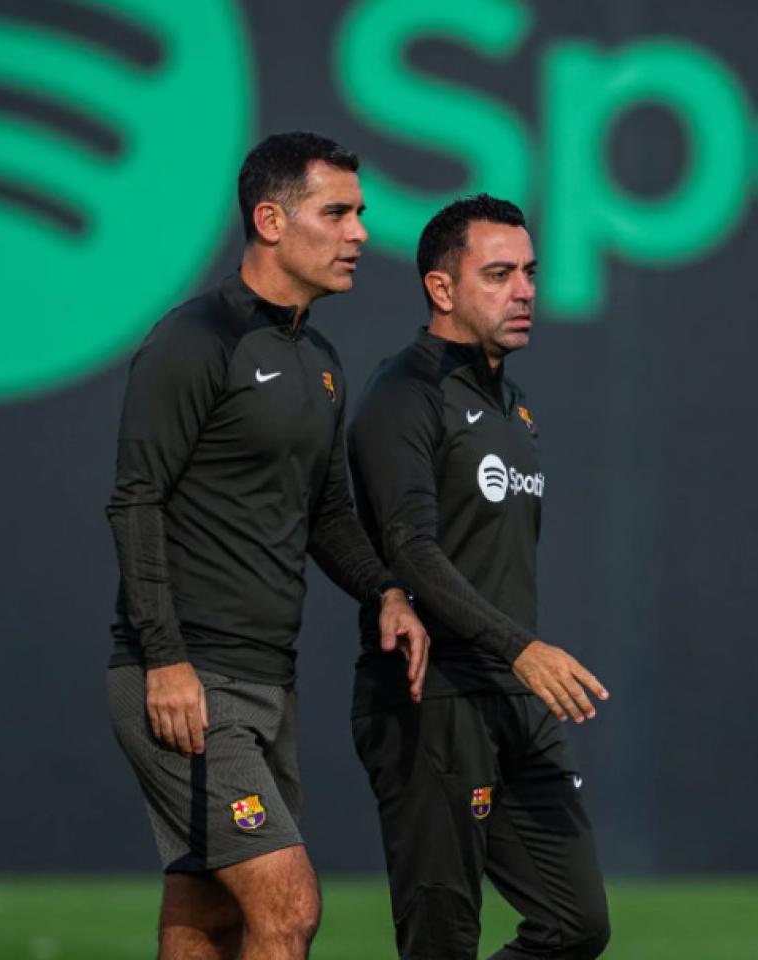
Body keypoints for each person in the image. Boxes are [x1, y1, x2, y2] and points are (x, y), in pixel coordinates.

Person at [104, 131, 429, 960]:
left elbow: (327, 514)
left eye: (360, 213)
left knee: (206, 918)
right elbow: (136, 502)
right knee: (288, 908)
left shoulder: (318, 360)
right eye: (338, 212)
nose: (360, 232)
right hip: (187, 681)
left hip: (265, 682)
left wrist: (385, 591)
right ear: (271, 220)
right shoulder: (196, 342)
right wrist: (166, 659)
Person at [347, 194, 611, 959]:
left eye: (529, 272)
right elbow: (410, 550)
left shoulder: (512, 407)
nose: (524, 290)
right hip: (435, 700)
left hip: (511, 699)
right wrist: (521, 648)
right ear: (441, 288)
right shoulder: (405, 396)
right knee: (443, 940)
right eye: (498, 274)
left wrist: (516, 662)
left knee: (576, 925)